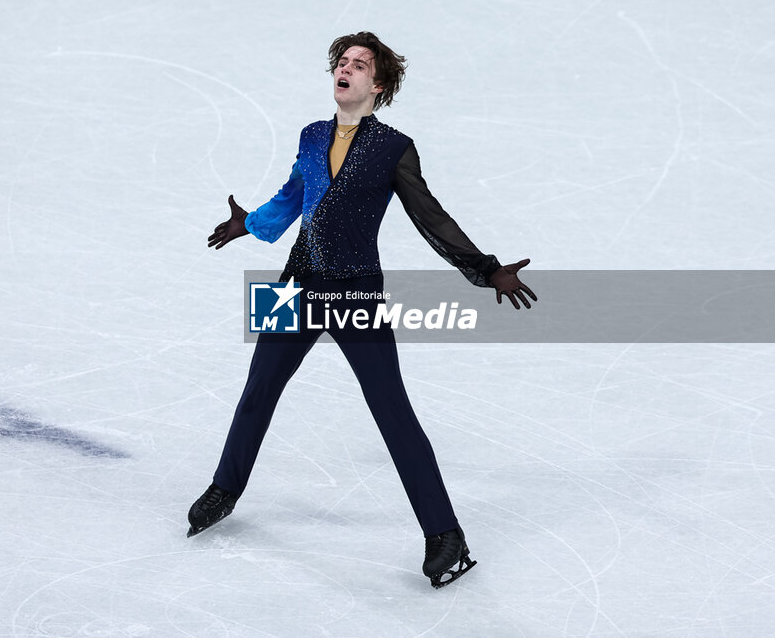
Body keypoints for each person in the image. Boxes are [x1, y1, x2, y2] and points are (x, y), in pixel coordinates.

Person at [193, 31, 536, 588]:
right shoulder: (310, 134)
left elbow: (431, 216)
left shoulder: (393, 148)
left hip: (356, 291)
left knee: (391, 410)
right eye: (341, 62)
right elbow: (291, 198)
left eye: (359, 65)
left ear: (377, 85)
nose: (345, 70)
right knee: (257, 390)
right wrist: (249, 223)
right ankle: (225, 489)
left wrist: (484, 268)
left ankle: (445, 534)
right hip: (296, 283)